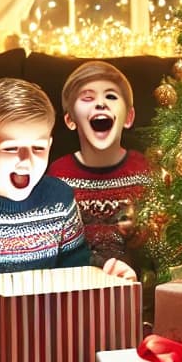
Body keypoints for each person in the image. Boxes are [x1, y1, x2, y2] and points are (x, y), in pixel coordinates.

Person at [0, 78, 137, 362]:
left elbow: (74, 265)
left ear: (50, 145)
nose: (26, 161)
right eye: (11, 148)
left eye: (38, 148)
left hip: (44, 339)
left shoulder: (59, 199)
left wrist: (104, 274)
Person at [48, 61, 151, 273]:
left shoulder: (145, 170)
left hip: (134, 288)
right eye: (88, 98)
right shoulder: (58, 176)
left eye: (111, 96)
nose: (101, 104)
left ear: (129, 117)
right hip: (79, 289)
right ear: (70, 120)